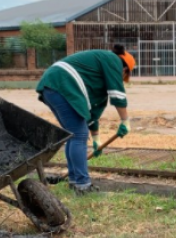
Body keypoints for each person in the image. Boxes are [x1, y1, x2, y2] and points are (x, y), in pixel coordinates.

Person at [36, 44, 134, 193]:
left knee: (73, 135)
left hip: (53, 85)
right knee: (79, 135)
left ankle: (75, 180)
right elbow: (117, 92)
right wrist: (125, 120)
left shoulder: (97, 81)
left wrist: (96, 139)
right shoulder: (114, 60)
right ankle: (83, 186)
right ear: (124, 69)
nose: (121, 78)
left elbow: (90, 114)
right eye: (124, 76)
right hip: (62, 83)